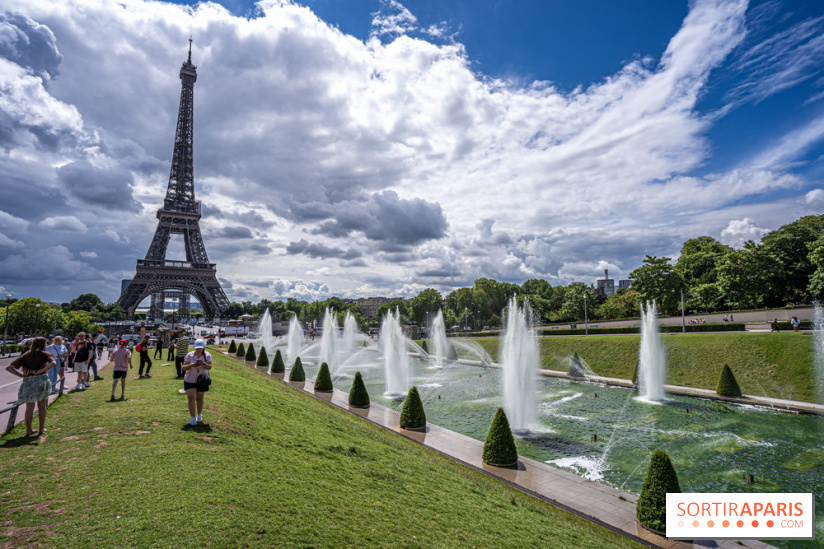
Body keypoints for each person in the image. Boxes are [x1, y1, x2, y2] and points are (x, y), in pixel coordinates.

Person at [5, 337, 55, 437]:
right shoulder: (45, 354)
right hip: (41, 380)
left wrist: (20, 375)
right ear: (43, 344)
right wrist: (41, 371)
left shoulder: (26, 355)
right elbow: (53, 363)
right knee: (42, 406)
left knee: (29, 407)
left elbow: (9, 367)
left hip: (28, 381)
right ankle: (41, 429)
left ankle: (29, 430)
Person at [182, 339, 212, 426]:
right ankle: (192, 418)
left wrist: (203, 363)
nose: (198, 350)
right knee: (191, 397)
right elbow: (184, 368)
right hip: (190, 379)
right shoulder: (189, 355)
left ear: (203, 348)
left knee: (199, 398)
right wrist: (192, 364)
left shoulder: (207, 355)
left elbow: (209, 367)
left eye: (200, 348)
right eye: (197, 348)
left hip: (201, 379)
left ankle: (199, 414)